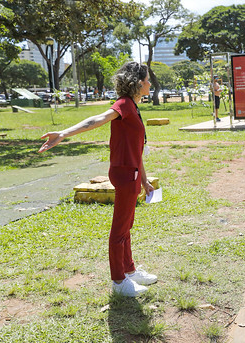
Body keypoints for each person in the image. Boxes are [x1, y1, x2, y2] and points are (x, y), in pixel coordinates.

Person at [38, 61, 157, 297]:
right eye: (147, 80)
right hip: (124, 175)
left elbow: (137, 150)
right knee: (119, 229)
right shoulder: (123, 104)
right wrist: (63, 133)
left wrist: (144, 181)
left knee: (127, 227)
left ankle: (130, 270)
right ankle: (119, 281)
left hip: (133, 174)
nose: (150, 83)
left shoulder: (134, 106)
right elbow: (97, 119)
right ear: (138, 83)